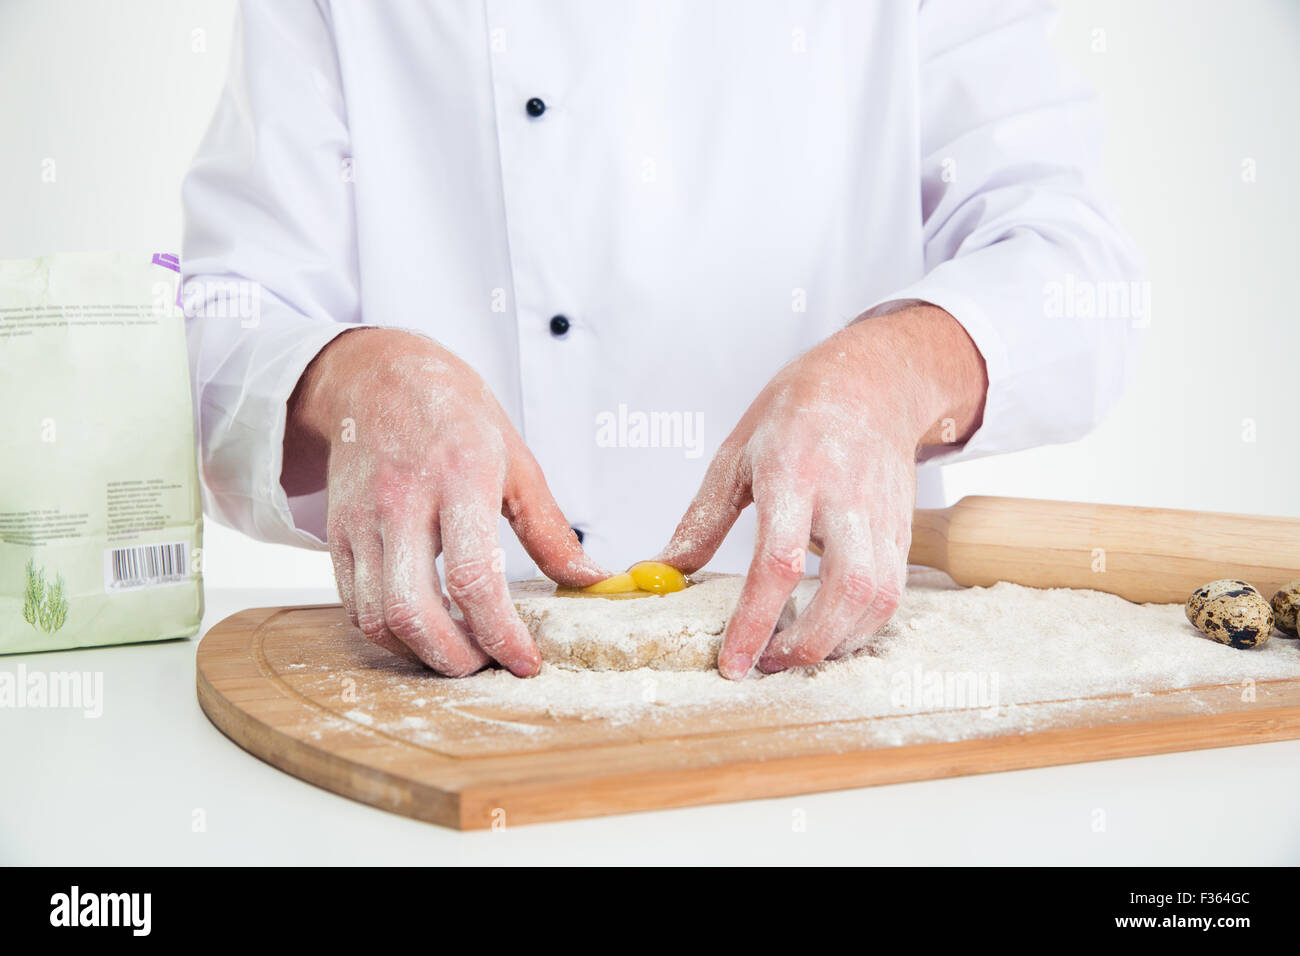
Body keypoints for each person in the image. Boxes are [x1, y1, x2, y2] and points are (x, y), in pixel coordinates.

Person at [183, 0, 1143, 681]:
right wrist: (351, 382)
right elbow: (225, 320)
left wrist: (895, 372)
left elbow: (1072, 266)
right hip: (452, 685)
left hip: (828, 675)